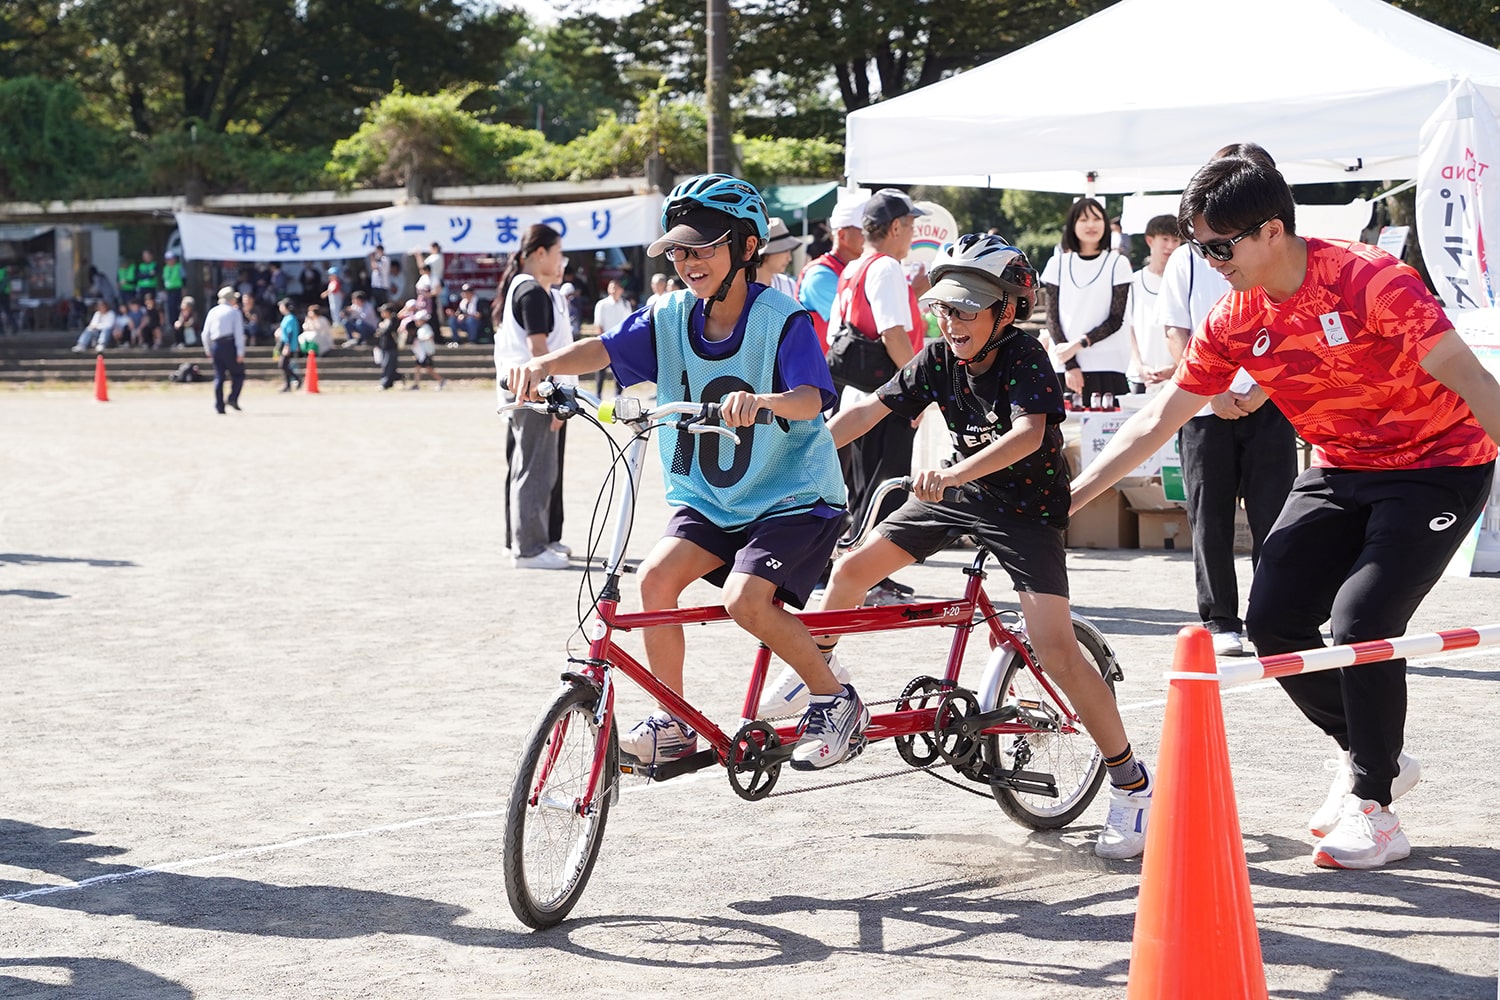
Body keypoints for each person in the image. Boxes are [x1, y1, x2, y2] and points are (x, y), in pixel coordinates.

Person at [1070, 146, 1500, 870]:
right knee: (1272, 623)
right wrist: (1069, 499)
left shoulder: (1371, 280)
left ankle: (1374, 805)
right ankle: (1374, 759)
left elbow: (1469, 376)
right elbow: (1156, 421)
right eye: (1199, 247)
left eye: (1218, 245)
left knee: (1362, 621)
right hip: (1339, 468)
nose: (1208, 261)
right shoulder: (1235, 318)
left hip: (1437, 466)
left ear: (1272, 229)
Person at [796, 233, 1153, 858]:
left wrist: (956, 473)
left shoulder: (1027, 355)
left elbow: (1026, 435)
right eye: (943, 307)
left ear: (1005, 312)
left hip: (1027, 510)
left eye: (965, 309)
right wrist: (800, 453)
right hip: (959, 491)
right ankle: (825, 686)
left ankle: (1132, 784)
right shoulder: (937, 358)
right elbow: (867, 414)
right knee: (851, 571)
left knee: (1058, 652)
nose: (950, 320)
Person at [505, 173, 865, 771]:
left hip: (793, 499)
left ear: (747, 248)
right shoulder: (669, 314)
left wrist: (766, 402)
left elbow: (811, 397)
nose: (686, 260)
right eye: (678, 249)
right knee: (653, 582)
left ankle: (834, 697)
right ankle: (673, 721)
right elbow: (602, 349)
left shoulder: (783, 318)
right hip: (713, 499)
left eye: (702, 247)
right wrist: (542, 364)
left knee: (745, 600)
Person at [1158, 145, 1298, 659]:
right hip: (1201, 406)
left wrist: (1262, 388)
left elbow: (1293, 334)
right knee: (1209, 516)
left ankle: (1274, 615)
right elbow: (1175, 327)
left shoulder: (1279, 252)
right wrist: (1210, 390)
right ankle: (1220, 618)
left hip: (1271, 400)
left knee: (1275, 514)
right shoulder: (1187, 258)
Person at [827, 187, 929, 605]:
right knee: (887, 485)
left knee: (866, 485)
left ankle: (863, 573)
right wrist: (918, 389)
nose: (912, 235)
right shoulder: (886, 266)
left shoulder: (855, 267)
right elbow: (892, 333)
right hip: (887, 392)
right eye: (910, 226)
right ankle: (871, 577)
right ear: (895, 227)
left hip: (860, 390)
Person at [493, 224, 574, 570]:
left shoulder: (525, 288)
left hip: (525, 393)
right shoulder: (531, 291)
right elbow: (538, 350)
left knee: (533, 468)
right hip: (535, 395)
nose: (561, 260)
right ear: (540, 253)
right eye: (558, 253)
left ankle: (530, 540)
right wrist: (557, 399)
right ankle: (528, 548)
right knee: (535, 470)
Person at [1041, 197, 1134, 404]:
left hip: (1108, 364)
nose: (1091, 225)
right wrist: (1071, 364)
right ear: (1073, 225)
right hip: (1066, 366)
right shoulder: (1057, 263)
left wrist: (1076, 345)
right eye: (1083, 219)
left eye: (1097, 218)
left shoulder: (1118, 263)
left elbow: (1115, 319)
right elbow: (1052, 319)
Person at [795, 192, 866, 352]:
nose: (872, 235)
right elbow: (861, 324)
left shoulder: (854, 269)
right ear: (842, 235)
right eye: (865, 229)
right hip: (822, 373)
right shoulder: (820, 275)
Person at [1124, 215, 1180, 394]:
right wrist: (1139, 366)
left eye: (1175, 240)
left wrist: (1176, 365)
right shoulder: (1133, 281)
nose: (1170, 246)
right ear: (1150, 240)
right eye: (1164, 239)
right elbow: (1128, 327)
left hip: (1177, 375)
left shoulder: (1183, 282)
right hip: (1140, 377)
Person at [203, 286, 246, 413]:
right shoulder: (234, 312)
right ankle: (232, 397)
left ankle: (219, 406)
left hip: (216, 345)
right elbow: (239, 334)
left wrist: (208, 349)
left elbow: (205, 333)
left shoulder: (212, 312)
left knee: (219, 377)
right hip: (230, 344)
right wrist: (240, 352)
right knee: (238, 374)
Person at [760, 218, 801, 297]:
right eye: (785, 250)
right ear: (766, 254)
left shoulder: (789, 284)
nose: (789, 258)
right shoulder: (741, 287)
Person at [408, 309, 445, 390]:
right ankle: (416, 384)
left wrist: (421, 340)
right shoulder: (420, 329)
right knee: (418, 367)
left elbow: (430, 337)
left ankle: (441, 380)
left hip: (427, 352)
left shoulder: (426, 328)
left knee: (429, 368)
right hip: (421, 353)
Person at [275, 298, 302, 392]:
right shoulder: (286, 317)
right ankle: (288, 385)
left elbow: (290, 333)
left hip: (289, 344)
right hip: (285, 343)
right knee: (284, 365)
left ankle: (296, 379)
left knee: (283, 364)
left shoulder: (291, 318)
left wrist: (287, 346)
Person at [374, 303, 402, 389]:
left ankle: (385, 383)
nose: (382, 313)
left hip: (391, 346)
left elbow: (387, 331)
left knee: (388, 365)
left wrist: (381, 329)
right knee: (385, 365)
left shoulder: (393, 320)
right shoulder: (384, 321)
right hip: (384, 346)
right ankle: (392, 381)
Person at [161, 251, 185, 325]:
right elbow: (164, 279)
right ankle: (172, 324)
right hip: (169, 291)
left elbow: (184, 278)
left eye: (171, 259)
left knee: (177, 307)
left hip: (177, 290)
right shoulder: (165, 268)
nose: (169, 261)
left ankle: (179, 323)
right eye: (167, 259)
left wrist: (184, 289)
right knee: (170, 308)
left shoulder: (178, 267)